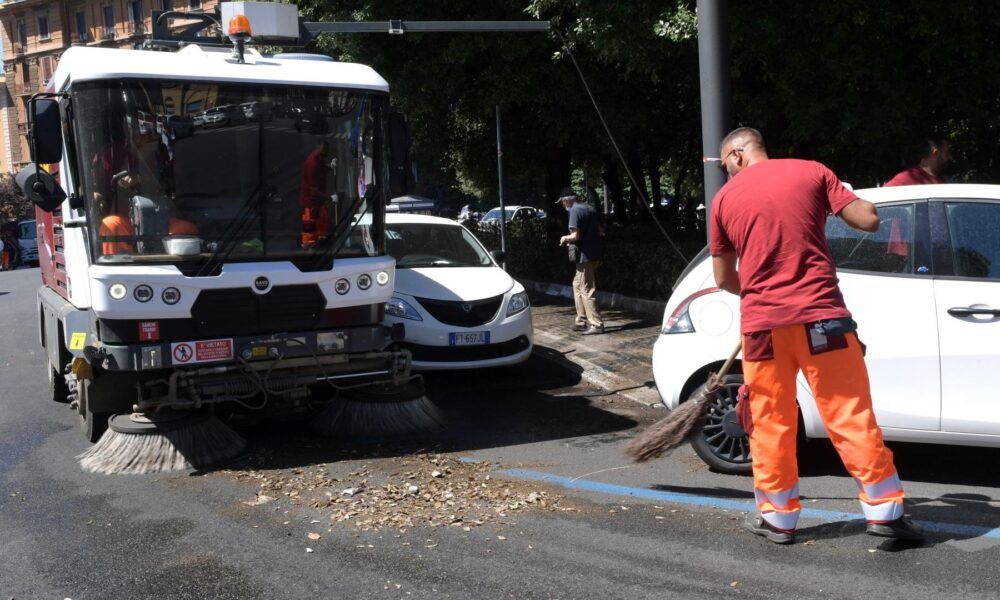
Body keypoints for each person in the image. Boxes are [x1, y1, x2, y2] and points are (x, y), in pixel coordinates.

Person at [710, 127, 924, 545]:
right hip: (821, 320)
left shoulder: (723, 200)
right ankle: (884, 513)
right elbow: (868, 219)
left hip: (762, 329)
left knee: (770, 422)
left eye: (725, 166)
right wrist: (845, 194)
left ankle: (778, 520)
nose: (727, 174)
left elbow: (723, 278)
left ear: (737, 154)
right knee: (848, 413)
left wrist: (761, 293)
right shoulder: (812, 172)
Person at [557, 187, 604, 335]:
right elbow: (601, 230)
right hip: (595, 253)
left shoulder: (575, 211)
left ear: (568, 200)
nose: (563, 205)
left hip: (585, 256)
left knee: (586, 289)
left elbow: (575, 235)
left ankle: (596, 324)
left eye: (563, 202)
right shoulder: (588, 208)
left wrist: (565, 238)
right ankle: (581, 319)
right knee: (577, 284)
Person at [300, 140, 334, 248]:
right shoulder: (312, 163)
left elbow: (321, 168)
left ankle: (322, 242)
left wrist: (330, 167)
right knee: (310, 231)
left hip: (319, 202)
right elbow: (313, 191)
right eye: (324, 149)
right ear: (317, 147)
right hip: (311, 203)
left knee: (322, 224)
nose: (326, 152)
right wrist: (330, 198)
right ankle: (309, 247)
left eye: (327, 149)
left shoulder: (319, 159)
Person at [885, 135, 952, 186]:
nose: (950, 158)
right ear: (936, 153)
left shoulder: (939, 181)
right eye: (947, 153)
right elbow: (878, 199)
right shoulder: (905, 179)